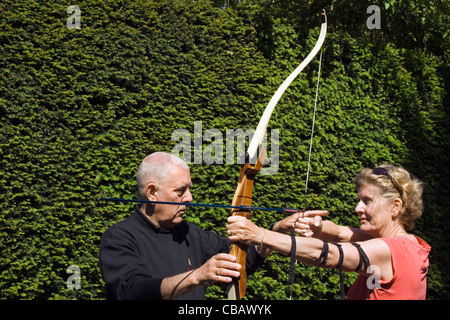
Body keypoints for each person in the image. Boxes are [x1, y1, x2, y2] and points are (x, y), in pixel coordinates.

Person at [227, 164, 431, 300]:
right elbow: (342, 233)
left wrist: (259, 235)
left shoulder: (393, 249)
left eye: (367, 201)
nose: (357, 208)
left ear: (395, 206)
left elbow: (329, 254)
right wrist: (317, 226)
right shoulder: (405, 243)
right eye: (359, 200)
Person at [98, 152, 265, 300]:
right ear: (152, 193)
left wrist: (273, 233)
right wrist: (196, 276)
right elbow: (132, 291)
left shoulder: (188, 232)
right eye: (180, 191)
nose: (189, 198)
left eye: (189, 189)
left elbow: (240, 261)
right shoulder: (118, 237)